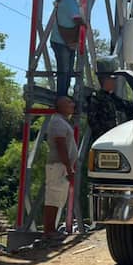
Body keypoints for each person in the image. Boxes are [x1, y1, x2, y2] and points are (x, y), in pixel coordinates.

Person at [43, 96, 78, 237]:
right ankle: (49, 229)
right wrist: (68, 168)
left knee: (58, 198)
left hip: (61, 165)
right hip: (58, 165)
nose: (73, 104)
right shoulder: (58, 122)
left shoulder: (63, 121)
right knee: (53, 196)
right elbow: (60, 145)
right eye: (69, 102)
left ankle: (51, 229)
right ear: (60, 106)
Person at [50, 0, 88, 97]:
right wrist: (84, 24)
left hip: (63, 40)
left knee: (66, 71)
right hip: (62, 41)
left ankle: (63, 96)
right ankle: (62, 97)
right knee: (65, 71)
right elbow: (76, 18)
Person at [86, 58, 133, 142]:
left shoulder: (112, 98)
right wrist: (103, 137)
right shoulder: (95, 99)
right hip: (103, 140)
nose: (115, 82)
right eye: (112, 80)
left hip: (112, 138)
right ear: (105, 80)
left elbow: (127, 106)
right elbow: (93, 122)